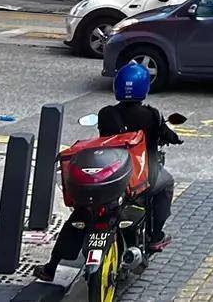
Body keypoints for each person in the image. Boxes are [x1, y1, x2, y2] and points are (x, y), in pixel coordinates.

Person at [36, 60, 181, 281]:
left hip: (110, 175)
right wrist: (175, 138)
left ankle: (50, 268)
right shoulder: (151, 114)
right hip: (140, 178)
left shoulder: (106, 114)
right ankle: (155, 237)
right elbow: (167, 134)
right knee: (167, 183)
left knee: (81, 214)